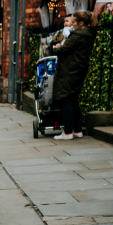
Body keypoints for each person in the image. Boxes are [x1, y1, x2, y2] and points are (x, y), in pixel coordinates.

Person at [48, 10, 98, 140]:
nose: (72, 25)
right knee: (73, 99)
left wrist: (56, 48)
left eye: (74, 22)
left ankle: (68, 132)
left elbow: (64, 50)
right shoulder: (87, 34)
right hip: (78, 70)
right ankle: (77, 130)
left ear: (81, 23)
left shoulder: (78, 35)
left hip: (70, 71)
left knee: (66, 99)